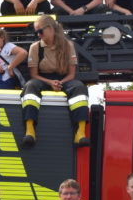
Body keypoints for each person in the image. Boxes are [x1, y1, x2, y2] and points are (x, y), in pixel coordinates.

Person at [19, 15, 91, 148]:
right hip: (43, 78)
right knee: (30, 87)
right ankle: (30, 131)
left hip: (65, 78)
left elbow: (72, 74)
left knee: (79, 88)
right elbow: (34, 75)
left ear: (51, 28)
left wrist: (60, 82)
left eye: (40, 31)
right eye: (36, 32)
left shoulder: (68, 45)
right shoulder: (35, 47)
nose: (38, 35)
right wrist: (50, 83)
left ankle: (80, 133)